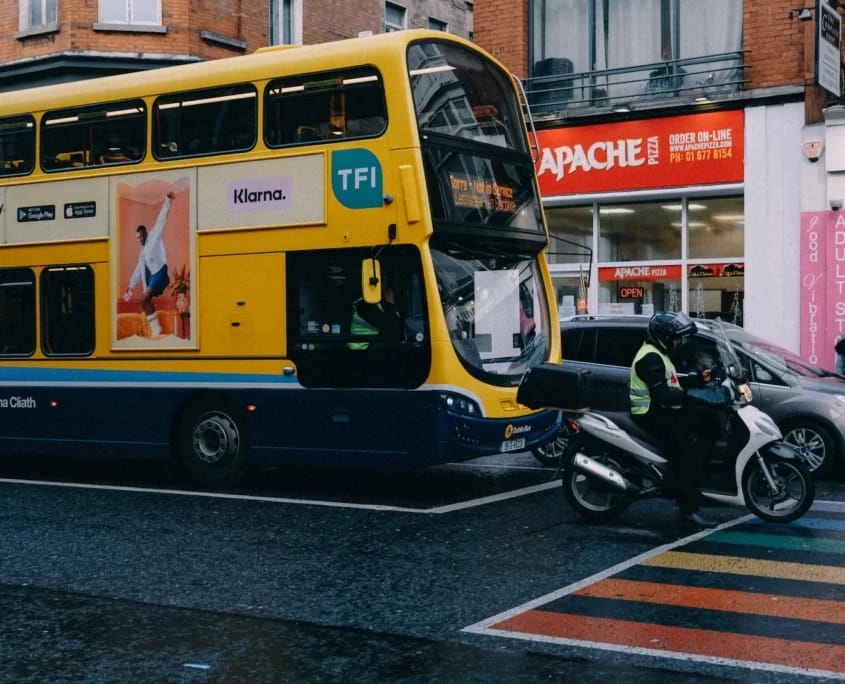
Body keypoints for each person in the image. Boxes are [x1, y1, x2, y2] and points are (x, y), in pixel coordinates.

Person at [629, 311, 725, 527]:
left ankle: (698, 483)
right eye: (676, 338)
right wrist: (696, 396)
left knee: (708, 421)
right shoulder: (650, 358)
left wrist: (702, 379)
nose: (679, 342)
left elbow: (674, 385)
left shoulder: (659, 354)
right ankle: (688, 509)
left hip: (664, 411)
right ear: (664, 337)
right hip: (650, 416)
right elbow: (665, 395)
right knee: (689, 455)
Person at [123, 190, 175, 336]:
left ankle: (156, 330)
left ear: (145, 233)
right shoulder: (142, 252)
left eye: (140, 237)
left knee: (145, 298)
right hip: (153, 277)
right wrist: (130, 286)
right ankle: (155, 328)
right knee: (143, 300)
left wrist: (168, 201)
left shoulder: (154, 236)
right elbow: (138, 270)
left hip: (161, 273)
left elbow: (161, 220)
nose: (139, 240)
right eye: (137, 238)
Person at [349, 273, 404, 350]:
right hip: (360, 350)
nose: (390, 290)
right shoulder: (364, 304)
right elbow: (393, 326)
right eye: (386, 285)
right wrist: (390, 302)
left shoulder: (378, 303)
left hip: (371, 346)